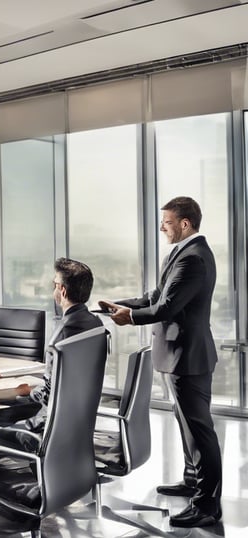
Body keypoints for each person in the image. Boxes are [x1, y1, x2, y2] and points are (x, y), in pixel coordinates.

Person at [99, 196, 221, 528]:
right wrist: (117, 306)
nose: (162, 228)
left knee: (199, 430)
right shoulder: (180, 253)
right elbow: (156, 296)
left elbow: (166, 309)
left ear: (185, 223)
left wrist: (131, 318)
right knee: (186, 424)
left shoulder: (194, 259)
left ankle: (207, 505)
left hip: (188, 356)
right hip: (178, 355)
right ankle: (192, 481)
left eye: (166, 222)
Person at [0, 258, 103, 451]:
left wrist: (0, 395)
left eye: (54, 284)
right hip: (76, 427)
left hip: (49, 432)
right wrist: (23, 389)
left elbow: (48, 395)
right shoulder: (94, 325)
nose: (53, 289)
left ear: (62, 290)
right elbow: (62, 384)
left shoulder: (62, 335)